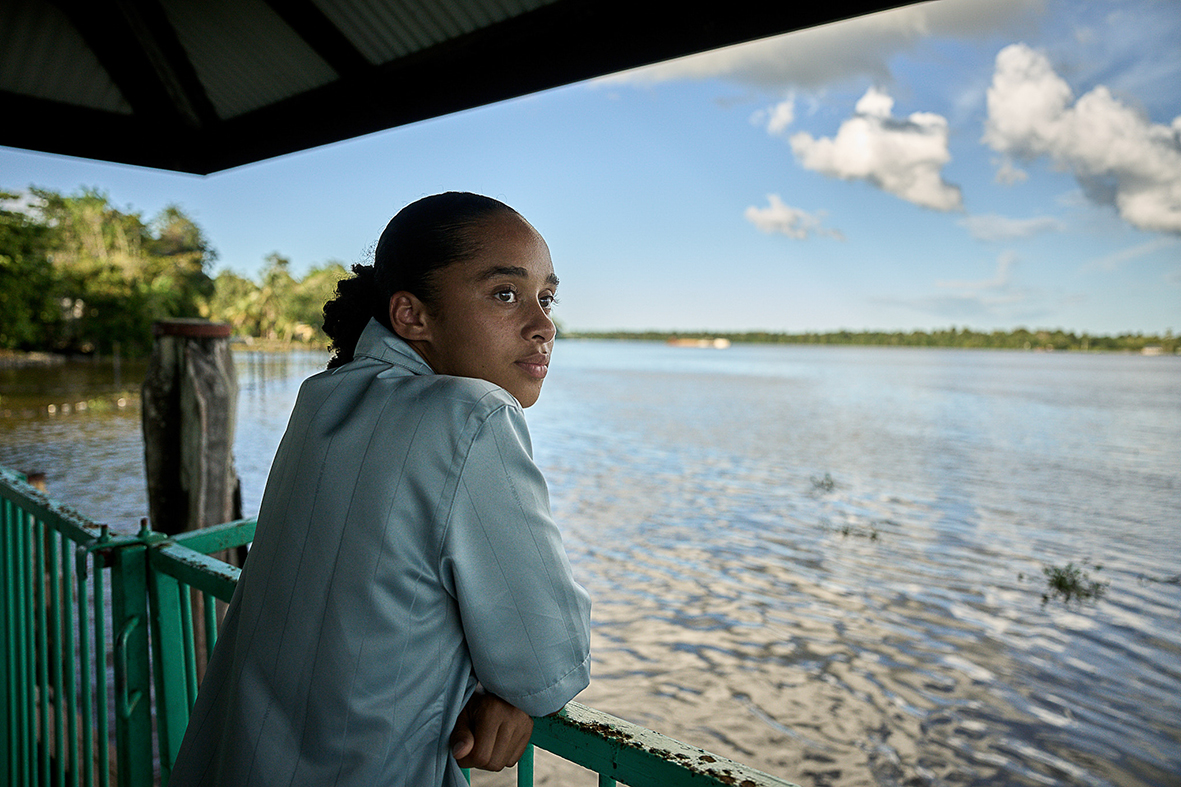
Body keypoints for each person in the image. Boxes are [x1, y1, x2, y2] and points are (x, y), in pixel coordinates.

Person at [168, 192, 592, 787]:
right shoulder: (473, 415)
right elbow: (547, 661)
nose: (544, 325)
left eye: (545, 298)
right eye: (505, 293)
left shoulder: (324, 396)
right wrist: (512, 689)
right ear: (411, 315)